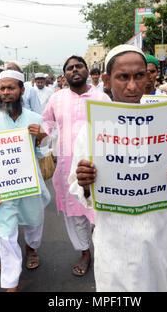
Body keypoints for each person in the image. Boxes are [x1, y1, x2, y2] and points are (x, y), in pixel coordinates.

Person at [68, 44, 167, 291]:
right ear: (107, 80)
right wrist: (85, 182)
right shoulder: (92, 129)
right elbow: (80, 190)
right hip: (114, 239)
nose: (132, 86)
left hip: (158, 234)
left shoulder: (165, 124)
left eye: (139, 76)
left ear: (148, 77)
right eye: (123, 77)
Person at [0, 70, 50, 292]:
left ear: (21, 90)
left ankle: (32, 249)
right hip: (3, 188)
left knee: (33, 224)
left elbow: (43, 155)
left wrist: (41, 138)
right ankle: (11, 284)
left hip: (30, 186)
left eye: (11, 88)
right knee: (6, 235)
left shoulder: (35, 120)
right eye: (2, 88)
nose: (6, 92)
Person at [42, 55, 111, 277]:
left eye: (78, 66)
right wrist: (39, 137)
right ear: (64, 75)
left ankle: (103, 251)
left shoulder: (102, 98)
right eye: (70, 68)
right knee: (75, 215)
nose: (74, 70)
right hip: (67, 168)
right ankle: (84, 252)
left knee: (99, 213)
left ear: (87, 71)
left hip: (98, 169)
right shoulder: (57, 99)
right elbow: (47, 125)